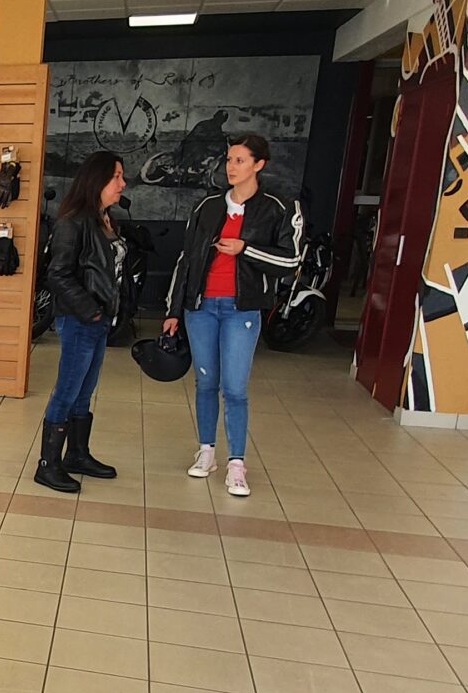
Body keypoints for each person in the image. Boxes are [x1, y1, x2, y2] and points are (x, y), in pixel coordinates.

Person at [146, 133, 304, 498]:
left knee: (234, 388)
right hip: (201, 307)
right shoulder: (208, 206)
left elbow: (291, 260)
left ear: (259, 165)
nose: (231, 167)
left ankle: (236, 464)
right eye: (230, 159)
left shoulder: (278, 207)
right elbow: (187, 260)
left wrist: (245, 249)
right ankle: (206, 451)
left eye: (240, 160)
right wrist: (173, 310)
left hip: (241, 309)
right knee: (206, 383)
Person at [33, 150, 127, 493]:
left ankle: (77, 454)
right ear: (97, 179)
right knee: (67, 391)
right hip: (80, 320)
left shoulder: (106, 219)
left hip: (99, 320)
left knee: (85, 392)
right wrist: (90, 310)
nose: (122, 184)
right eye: (116, 176)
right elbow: (57, 274)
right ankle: (48, 465)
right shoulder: (72, 222)